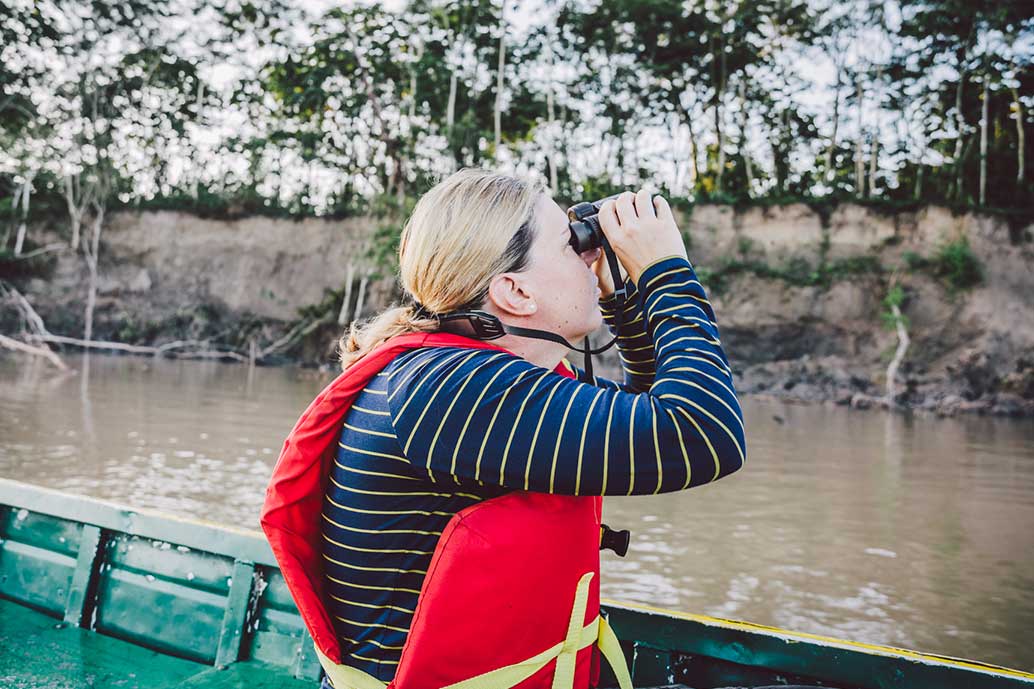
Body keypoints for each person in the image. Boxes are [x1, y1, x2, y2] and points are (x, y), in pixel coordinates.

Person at [261, 168, 745, 689]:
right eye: (570, 243)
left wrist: (622, 301)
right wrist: (667, 272)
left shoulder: (459, 378)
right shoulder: (452, 392)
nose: (589, 252)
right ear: (513, 292)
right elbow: (703, 435)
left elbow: (647, 431)